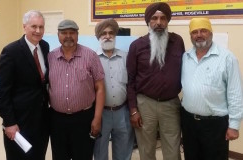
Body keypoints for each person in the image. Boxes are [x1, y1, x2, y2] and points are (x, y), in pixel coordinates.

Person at [126, 2, 185, 160]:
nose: (159, 22)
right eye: (154, 18)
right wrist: (133, 110)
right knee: (146, 150)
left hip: (171, 104)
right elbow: (130, 81)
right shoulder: (136, 46)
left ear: (167, 21)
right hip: (145, 104)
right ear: (148, 21)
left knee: (173, 150)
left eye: (163, 18)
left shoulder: (177, 42)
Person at [181, 17, 243, 160]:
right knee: (191, 156)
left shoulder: (227, 58)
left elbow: (235, 93)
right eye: (194, 32)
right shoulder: (186, 57)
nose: (199, 35)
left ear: (211, 33)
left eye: (203, 30)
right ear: (190, 36)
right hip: (188, 122)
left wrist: (234, 125)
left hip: (215, 125)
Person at [48, 19, 105, 160]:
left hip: (83, 119)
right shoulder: (50, 57)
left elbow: (100, 88)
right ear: (58, 35)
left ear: (77, 35)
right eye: (64, 33)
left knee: (83, 156)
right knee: (59, 156)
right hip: (57, 120)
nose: (68, 36)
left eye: (72, 33)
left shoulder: (90, 56)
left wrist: (97, 118)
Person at [0, 10, 50, 160]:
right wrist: (9, 122)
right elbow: (3, 92)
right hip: (19, 123)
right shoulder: (10, 52)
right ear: (24, 27)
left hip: (41, 121)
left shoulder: (45, 47)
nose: (38, 31)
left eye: (41, 27)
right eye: (34, 26)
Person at [93, 18, 134, 160]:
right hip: (101, 113)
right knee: (99, 152)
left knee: (123, 152)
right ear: (99, 37)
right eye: (103, 33)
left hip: (122, 112)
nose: (108, 36)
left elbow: (131, 85)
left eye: (111, 33)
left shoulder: (125, 57)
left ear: (115, 35)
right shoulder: (92, 58)